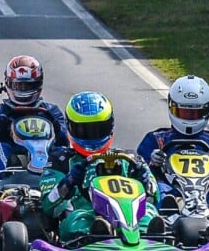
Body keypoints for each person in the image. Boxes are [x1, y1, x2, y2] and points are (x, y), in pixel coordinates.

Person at [43, 91, 161, 243]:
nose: (92, 136)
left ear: (110, 126)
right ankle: (98, 235)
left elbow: (155, 198)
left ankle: (149, 237)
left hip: (128, 215)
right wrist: (68, 182)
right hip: (84, 211)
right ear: (70, 127)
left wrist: (145, 180)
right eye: (84, 130)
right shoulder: (61, 160)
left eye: (98, 129)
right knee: (78, 221)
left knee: (149, 213)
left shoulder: (128, 158)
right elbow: (47, 205)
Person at [137, 75, 209, 213]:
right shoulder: (156, 140)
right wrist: (152, 163)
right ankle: (167, 211)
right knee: (159, 185)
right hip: (173, 191)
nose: (189, 118)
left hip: (206, 194)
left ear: (207, 110)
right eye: (184, 112)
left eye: (195, 113)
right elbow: (137, 178)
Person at [0, 55, 69, 172]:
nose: (23, 89)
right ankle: (7, 176)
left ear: (38, 84)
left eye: (28, 85)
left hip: (46, 154)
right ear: (8, 84)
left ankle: (59, 176)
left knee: (62, 150)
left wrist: (57, 129)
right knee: (0, 147)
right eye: (18, 85)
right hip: (13, 153)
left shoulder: (51, 111)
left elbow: (66, 141)